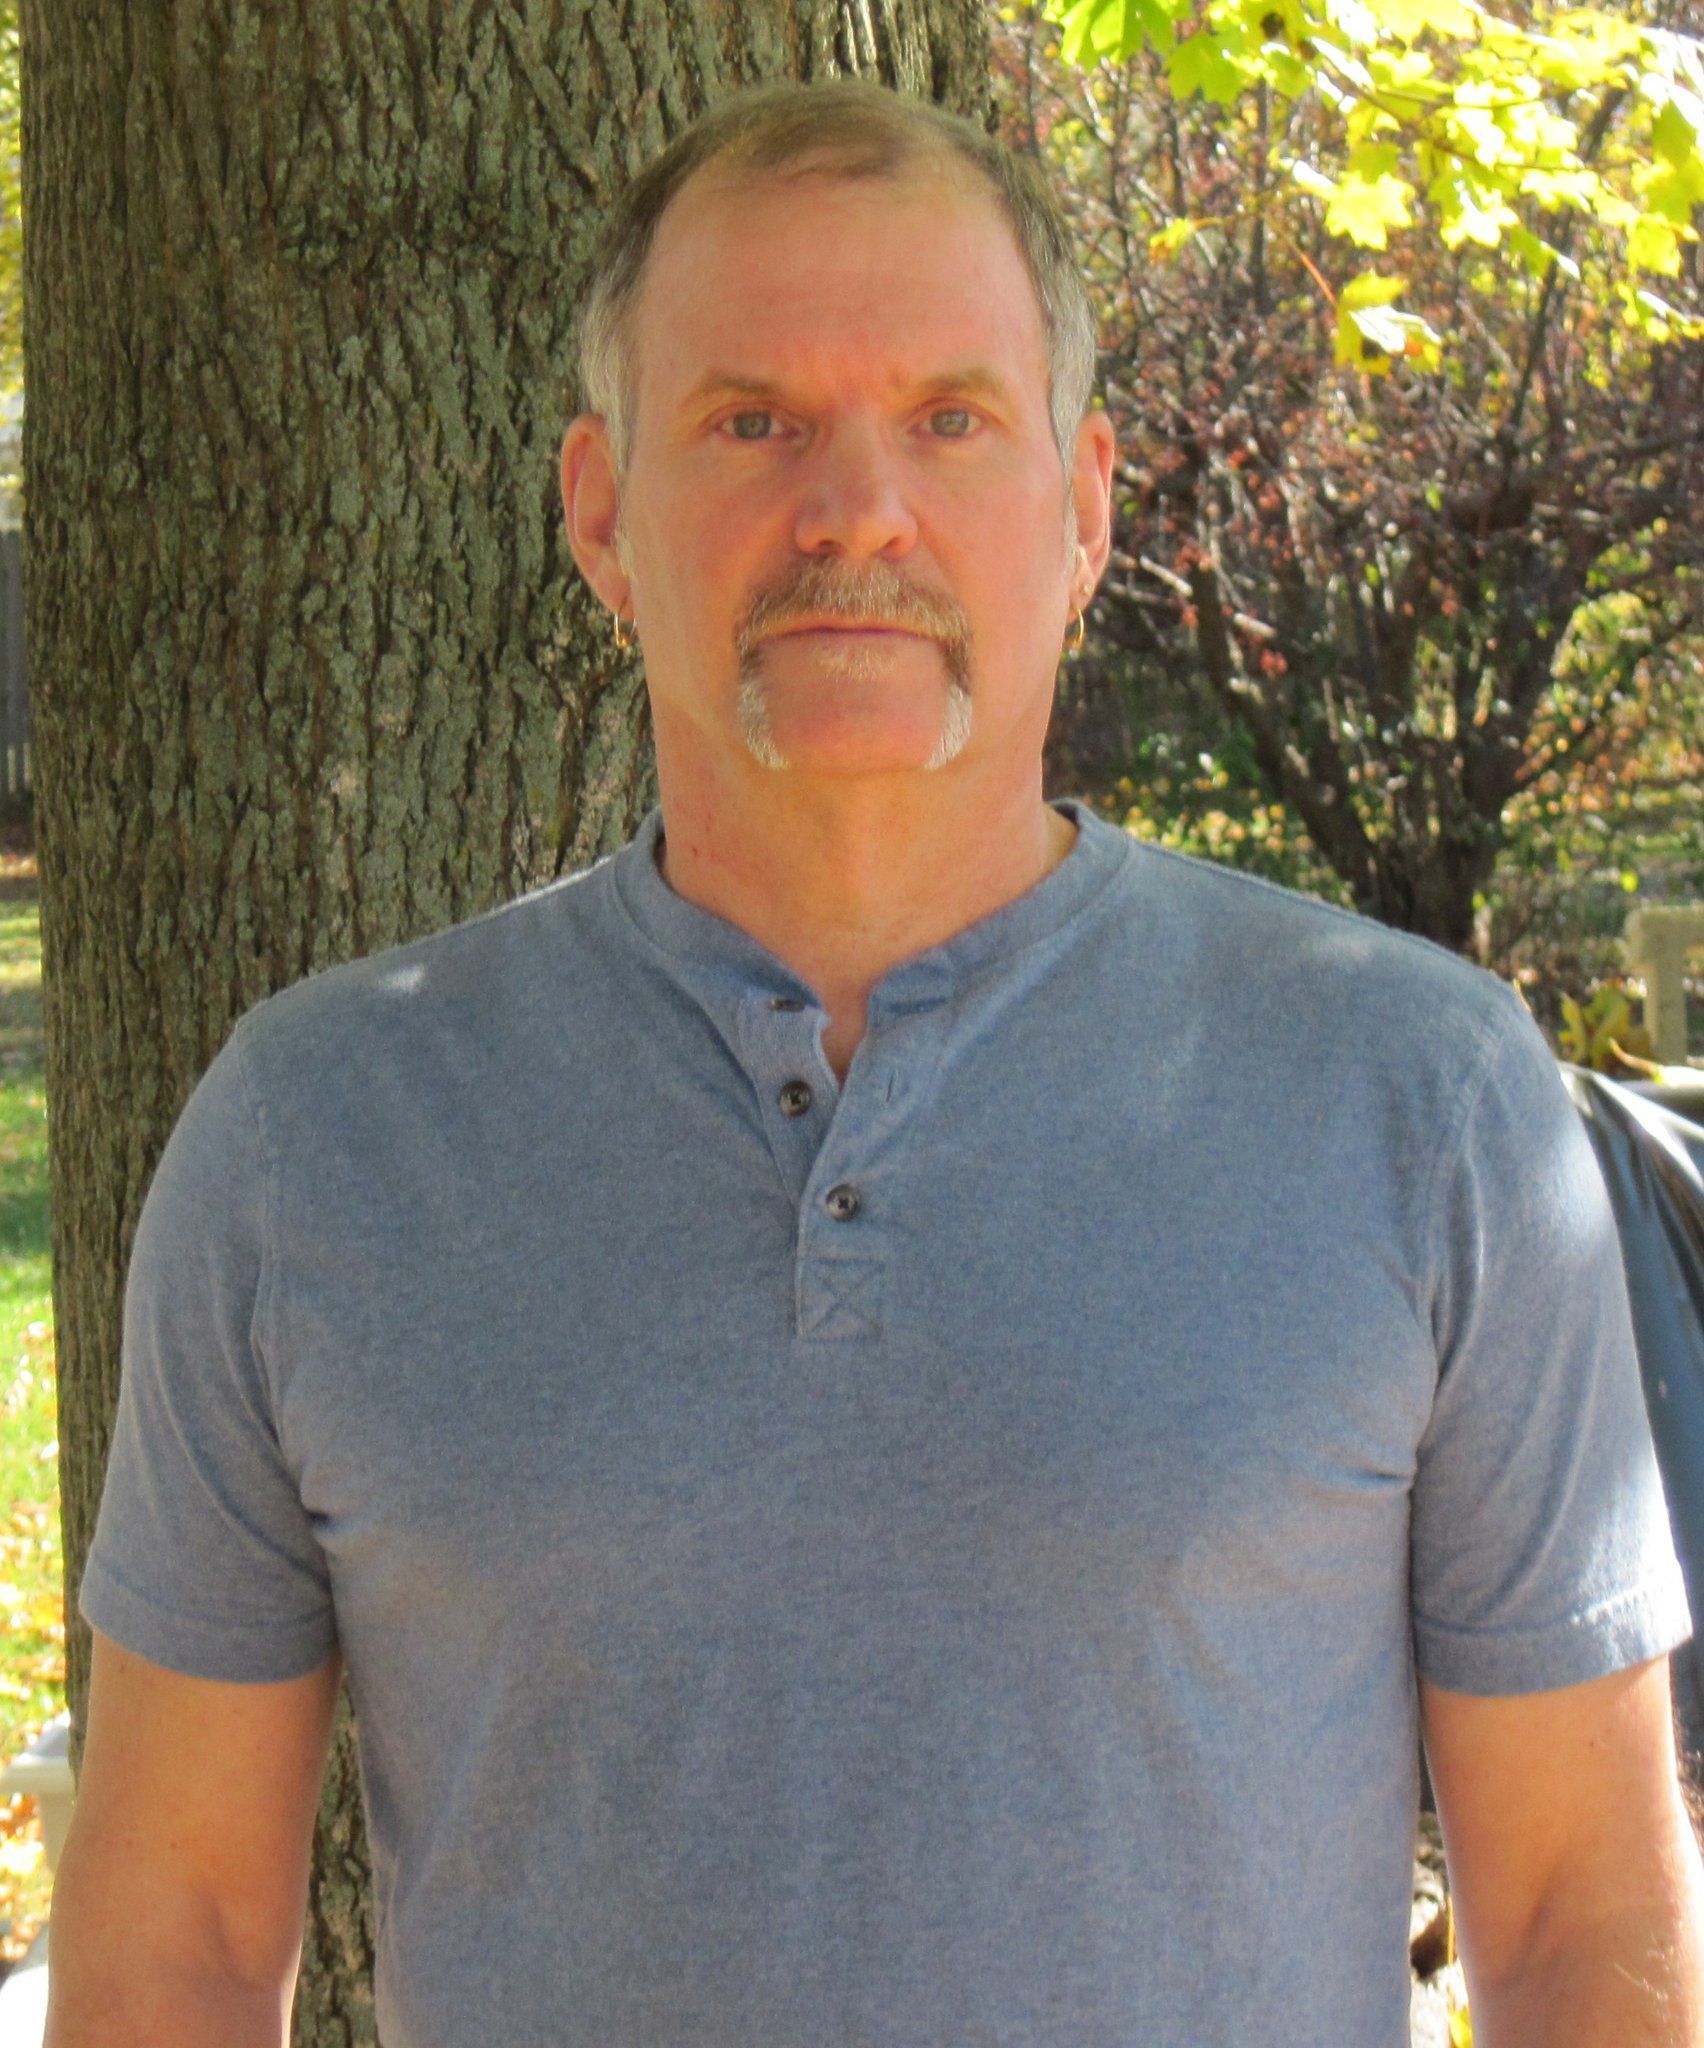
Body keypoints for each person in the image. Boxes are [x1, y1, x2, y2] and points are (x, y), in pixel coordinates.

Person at [45, 77, 1704, 2048]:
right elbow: (176, 1949)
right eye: (752, 421)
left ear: (1082, 512)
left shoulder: (1421, 1097)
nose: (857, 510)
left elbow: (1577, 1905)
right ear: (601, 511)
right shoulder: (313, 1137)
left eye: (949, 419)